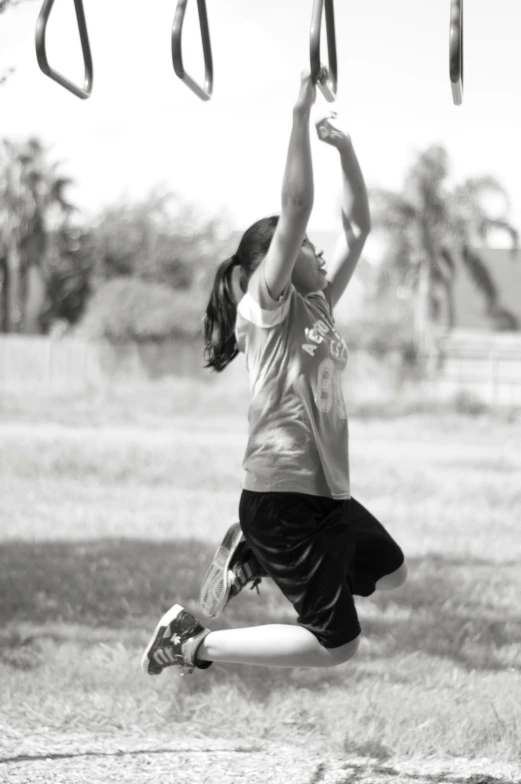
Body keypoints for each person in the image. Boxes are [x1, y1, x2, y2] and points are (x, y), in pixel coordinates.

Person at [141, 71, 407, 677]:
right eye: (304, 246)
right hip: (283, 495)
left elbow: (360, 228)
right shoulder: (268, 306)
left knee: (391, 571)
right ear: (273, 265)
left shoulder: (318, 304)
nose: (316, 251)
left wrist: (344, 148)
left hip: (325, 494)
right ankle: (185, 641)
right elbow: (295, 207)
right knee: (338, 644)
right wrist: (297, 114)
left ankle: (255, 558)